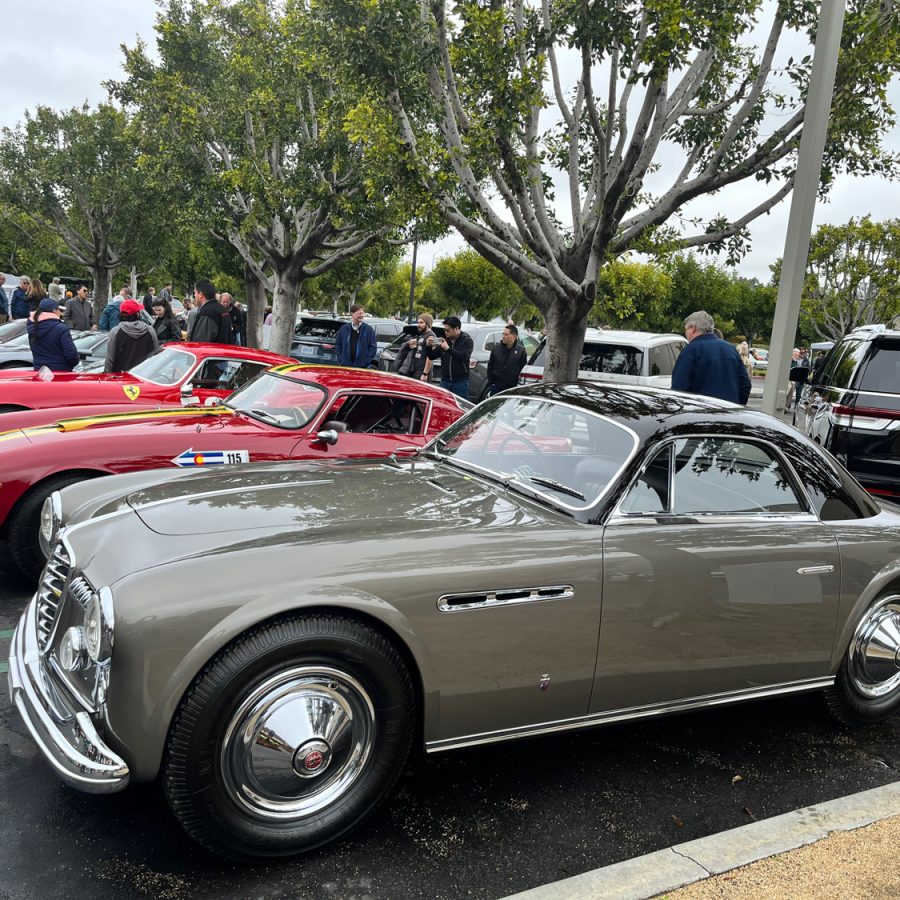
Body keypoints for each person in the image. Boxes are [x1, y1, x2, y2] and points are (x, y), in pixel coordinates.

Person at [671, 310, 751, 405]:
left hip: (700, 414)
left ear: (693, 328)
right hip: (730, 413)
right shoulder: (731, 350)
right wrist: (736, 405)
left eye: (686, 329)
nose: (686, 333)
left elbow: (678, 390)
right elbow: (745, 385)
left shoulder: (691, 351)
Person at [104, 299, 159, 372]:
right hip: (144, 377)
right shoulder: (150, 330)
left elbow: (109, 360)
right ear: (137, 314)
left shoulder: (115, 332)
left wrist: (107, 377)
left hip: (120, 379)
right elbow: (156, 355)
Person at [27, 298, 79, 371]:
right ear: (55, 310)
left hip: (40, 371)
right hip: (60, 372)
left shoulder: (33, 327)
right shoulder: (61, 329)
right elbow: (71, 355)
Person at [428, 315, 473, 399]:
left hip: (460, 382)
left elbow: (463, 357)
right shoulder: (445, 340)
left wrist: (448, 349)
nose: (445, 332)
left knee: (458, 409)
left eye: (447, 330)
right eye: (444, 330)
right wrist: (428, 346)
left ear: (456, 328)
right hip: (445, 380)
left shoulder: (467, 341)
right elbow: (432, 356)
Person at [392, 313, 436, 381]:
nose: (418, 325)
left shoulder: (431, 336)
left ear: (428, 323)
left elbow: (430, 357)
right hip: (414, 371)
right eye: (418, 322)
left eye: (421, 323)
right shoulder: (422, 335)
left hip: (422, 373)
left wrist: (425, 374)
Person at [487, 324, 528, 395]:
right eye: (503, 334)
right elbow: (490, 366)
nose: (503, 336)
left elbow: (523, 370)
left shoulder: (521, 351)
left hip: (512, 389)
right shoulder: (496, 349)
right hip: (496, 387)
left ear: (514, 336)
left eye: (506, 334)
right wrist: (492, 383)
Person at [188, 279, 232, 343]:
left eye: (195, 292)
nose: (194, 295)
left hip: (211, 352)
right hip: (223, 351)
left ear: (200, 294)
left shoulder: (207, 313)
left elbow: (200, 342)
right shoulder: (222, 309)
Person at [335, 304, 377, 368]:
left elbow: (373, 347)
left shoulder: (369, 330)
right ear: (352, 314)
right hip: (345, 366)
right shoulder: (344, 329)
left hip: (361, 368)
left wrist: (366, 362)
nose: (361, 315)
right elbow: (338, 344)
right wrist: (341, 360)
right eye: (359, 313)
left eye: (362, 313)